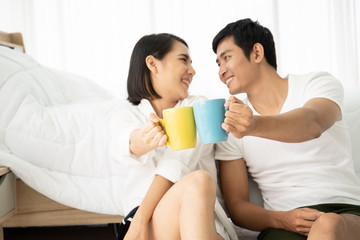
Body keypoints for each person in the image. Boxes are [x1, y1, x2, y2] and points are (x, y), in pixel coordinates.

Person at [212, 18, 360, 240]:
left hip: (344, 210)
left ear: (257, 53)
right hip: (284, 224)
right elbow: (237, 206)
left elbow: (312, 123)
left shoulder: (316, 84)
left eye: (227, 58)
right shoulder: (231, 122)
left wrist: (254, 125)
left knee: (328, 224)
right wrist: (281, 219)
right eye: (218, 64)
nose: (222, 71)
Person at [110, 33, 240, 240]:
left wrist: (139, 221)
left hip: (195, 223)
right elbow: (126, 143)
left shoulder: (199, 107)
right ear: (153, 64)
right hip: (149, 226)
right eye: (183, 60)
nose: (192, 71)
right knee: (198, 181)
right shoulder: (126, 114)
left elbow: (178, 162)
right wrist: (145, 140)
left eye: (191, 62)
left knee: (198, 182)